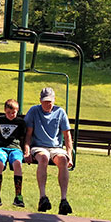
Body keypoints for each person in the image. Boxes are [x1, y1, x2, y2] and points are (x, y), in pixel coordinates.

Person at [23, 87, 74, 215]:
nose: (47, 104)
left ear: (54, 100)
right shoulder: (34, 111)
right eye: (45, 101)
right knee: (44, 158)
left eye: (49, 101)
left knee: (62, 160)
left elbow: (67, 136)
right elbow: (27, 134)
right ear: (40, 100)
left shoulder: (60, 112)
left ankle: (63, 199)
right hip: (39, 146)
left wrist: (70, 156)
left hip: (55, 147)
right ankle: (43, 197)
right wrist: (27, 151)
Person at [0, 99, 26, 208]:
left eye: (14, 112)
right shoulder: (0, 119)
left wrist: (26, 151)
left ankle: (18, 196)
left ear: (17, 111)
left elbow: (23, 138)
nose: (11, 115)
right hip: (1, 148)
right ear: (4, 110)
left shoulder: (20, 122)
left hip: (15, 148)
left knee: (17, 163)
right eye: (8, 112)